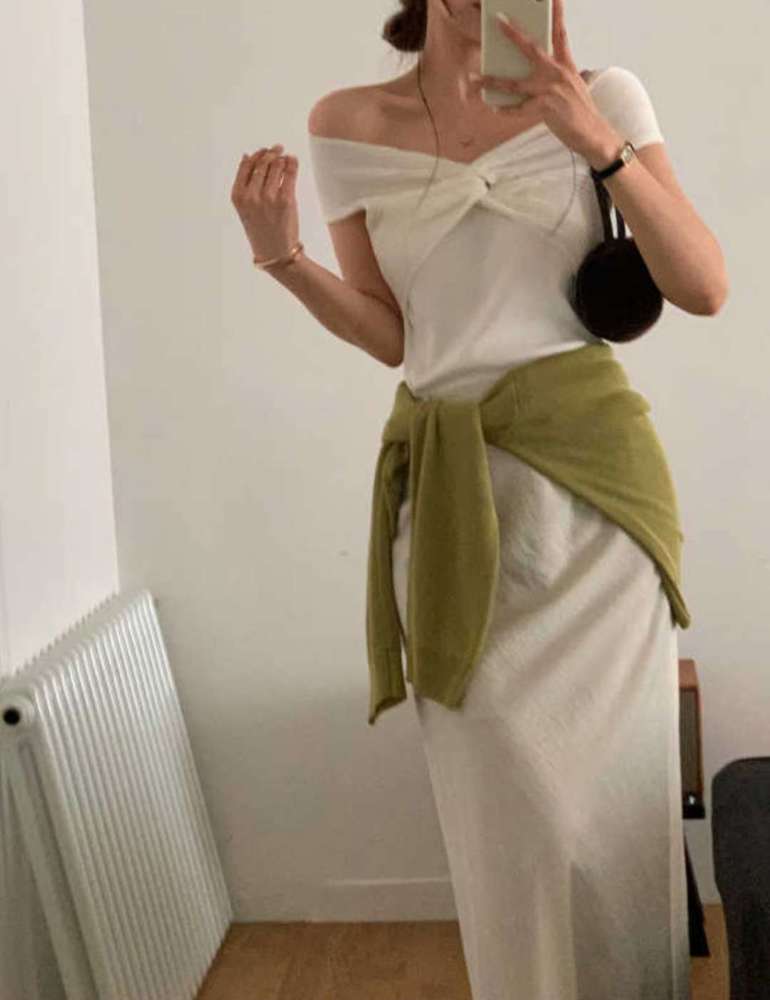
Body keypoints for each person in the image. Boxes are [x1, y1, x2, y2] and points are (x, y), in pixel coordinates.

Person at [230, 1, 727, 996]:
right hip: (453, 507)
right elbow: (394, 335)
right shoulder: (348, 124)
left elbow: (704, 286)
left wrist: (593, 139)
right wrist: (283, 257)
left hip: (597, 504)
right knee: (512, 831)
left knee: (615, 825)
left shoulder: (604, 96)